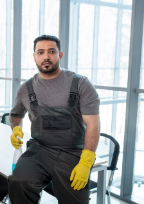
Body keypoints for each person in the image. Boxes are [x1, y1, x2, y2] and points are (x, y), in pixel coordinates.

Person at [8, 35, 100, 204]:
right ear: (34, 56)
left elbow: (93, 124)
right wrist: (15, 128)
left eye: (52, 51)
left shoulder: (80, 84)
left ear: (60, 55)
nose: (46, 57)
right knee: (18, 182)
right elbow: (15, 116)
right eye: (40, 52)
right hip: (39, 150)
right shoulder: (25, 89)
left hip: (72, 153)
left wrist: (86, 162)